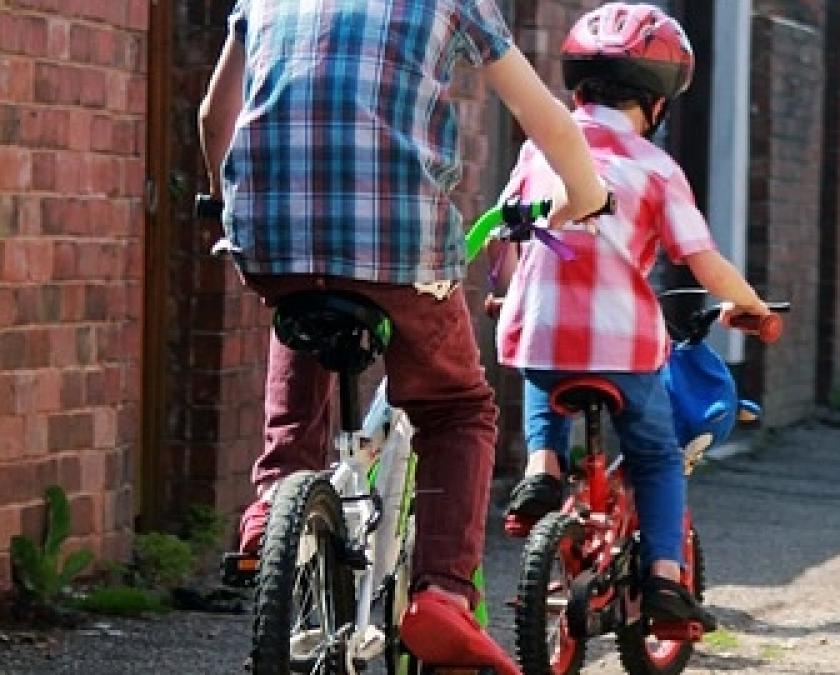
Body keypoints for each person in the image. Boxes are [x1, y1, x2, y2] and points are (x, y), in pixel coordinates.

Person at [197, 0, 609, 670]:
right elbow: (546, 120)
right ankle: (444, 589)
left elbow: (215, 115)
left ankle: (275, 499)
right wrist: (588, 195)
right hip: (398, 248)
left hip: (269, 236)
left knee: (299, 307)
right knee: (456, 407)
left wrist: (223, 200)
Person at [492, 2, 770, 630]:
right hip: (624, 349)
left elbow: (507, 237)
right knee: (654, 456)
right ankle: (667, 579)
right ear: (657, 103)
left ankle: (543, 468)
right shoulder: (657, 167)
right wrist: (748, 303)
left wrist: (504, 293)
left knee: (546, 373)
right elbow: (701, 261)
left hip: (539, 328)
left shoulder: (540, 152)